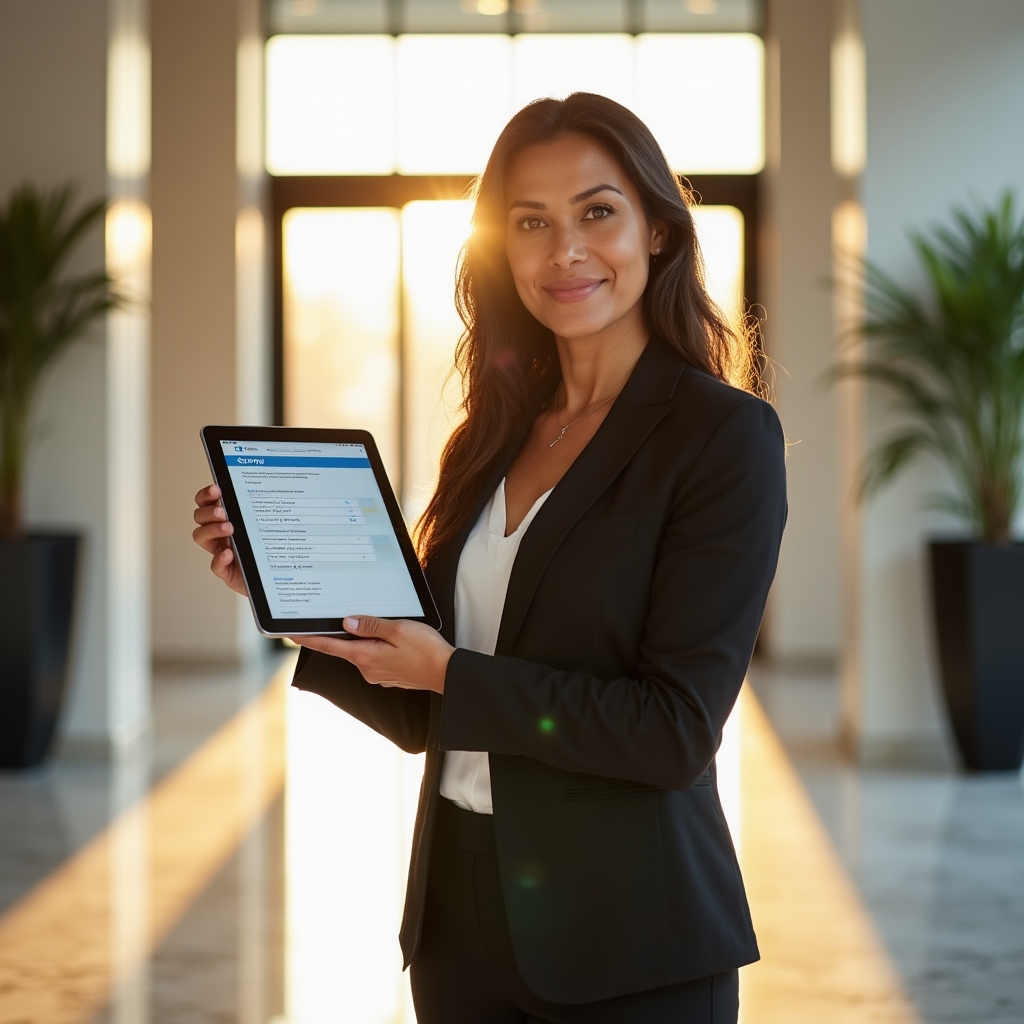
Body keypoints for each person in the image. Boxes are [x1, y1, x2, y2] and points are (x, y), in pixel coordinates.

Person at [193, 93, 786, 1024]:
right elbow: (427, 704)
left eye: (598, 212)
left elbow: (672, 731)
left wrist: (454, 673)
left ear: (659, 233)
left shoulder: (723, 438)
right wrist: (287, 595)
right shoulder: (495, 433)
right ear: (500, 251)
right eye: (531, 223)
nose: (565, 251)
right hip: (459, 920)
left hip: (631, 936)